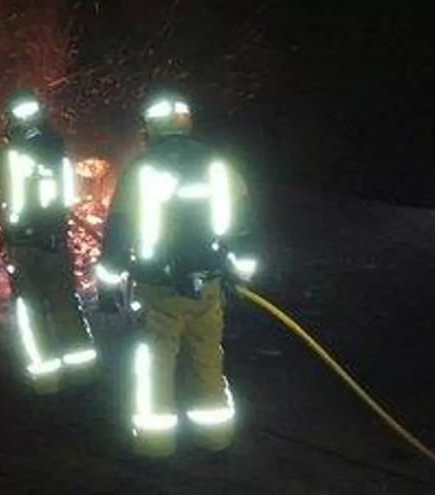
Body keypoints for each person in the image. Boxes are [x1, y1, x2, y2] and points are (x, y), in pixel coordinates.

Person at [96, 89, 257, 456]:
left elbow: (118, 235)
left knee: (155, 363)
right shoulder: (218, 165)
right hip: (209, 285)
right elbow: (244, 227)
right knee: (207, 357)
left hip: (159, 289)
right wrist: (239, 276)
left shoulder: (141, 169)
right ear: (186, 124)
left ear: (150, 128)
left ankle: (155, 444)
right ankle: (215, 437)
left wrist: (108, 285)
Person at [0, 89, 96, 394]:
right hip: (56, 244)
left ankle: (46, 378)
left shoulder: (9, 158)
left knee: (30, 308)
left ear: (12, 123)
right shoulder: (59, 156)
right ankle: (84, 373)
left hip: (23, 248)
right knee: (65, 302)